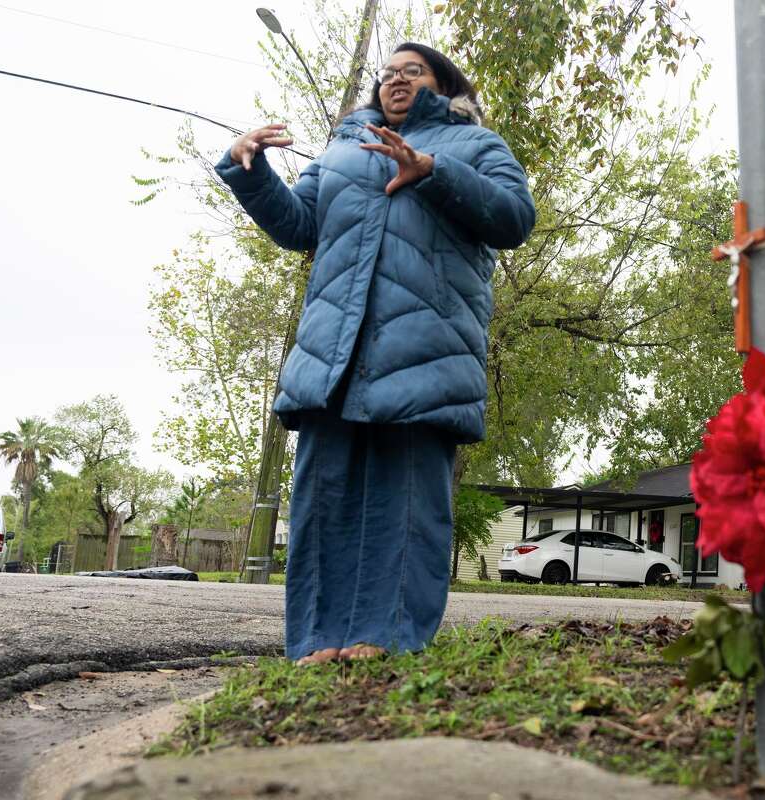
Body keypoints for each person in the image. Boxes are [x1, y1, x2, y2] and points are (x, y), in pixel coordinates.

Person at [216, 43, 535, 665]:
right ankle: (317, 642)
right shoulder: (340, 152)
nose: (395, 80)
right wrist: (248, 171)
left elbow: (514, 219)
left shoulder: (476, 146)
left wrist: (435, 171)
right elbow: (298, 227)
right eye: (387, 73)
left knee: (404, 504)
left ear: (443, 86)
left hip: (424, 352)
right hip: (333, 353)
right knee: (322, 505)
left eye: (411, 72)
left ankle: (386, 639)